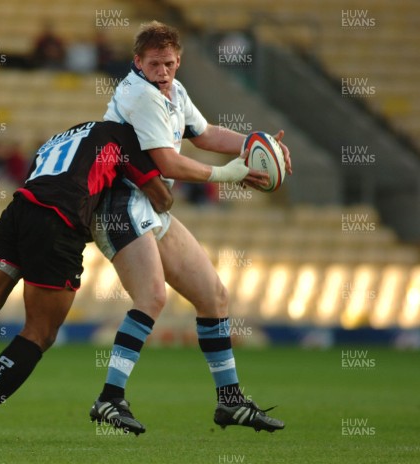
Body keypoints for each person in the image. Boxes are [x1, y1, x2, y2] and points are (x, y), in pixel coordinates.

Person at [0, 121, 173, 444]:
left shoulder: (61, 136)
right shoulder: (123, 135)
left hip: (18, 211)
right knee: (39, 333)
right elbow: (161, 198)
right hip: (59, 223)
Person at [89, 21, 292, 435]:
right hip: (120, 202)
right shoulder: (140, 95)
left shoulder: (174, 92)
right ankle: (109, 399)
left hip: (152, 203)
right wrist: (229, 175)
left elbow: (205, 134)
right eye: (154, 64)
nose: (162, 71)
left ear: (178, 61)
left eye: (168, 63)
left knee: (214, 296)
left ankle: (230, 402)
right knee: (152, 297)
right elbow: (168, 162)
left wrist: (257, 142)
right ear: (137, 63)